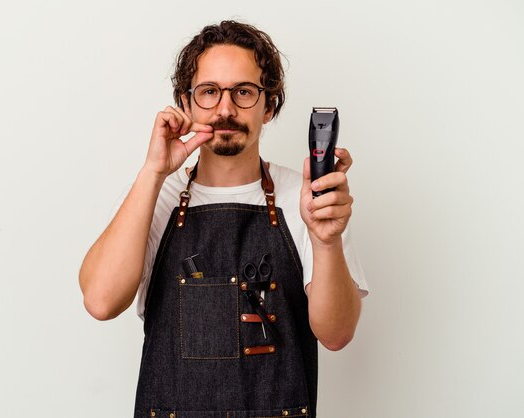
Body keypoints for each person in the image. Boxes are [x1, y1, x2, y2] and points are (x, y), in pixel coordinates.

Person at [79, 20, 368, 417]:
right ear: (186, 103)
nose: (225, 109)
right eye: (210, 92)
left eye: (244, 92)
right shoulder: (153, 196)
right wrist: (153, 171)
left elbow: (336, 334)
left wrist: (326, 240)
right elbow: (100, 301)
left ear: (269, 106)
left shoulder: (307, 200)